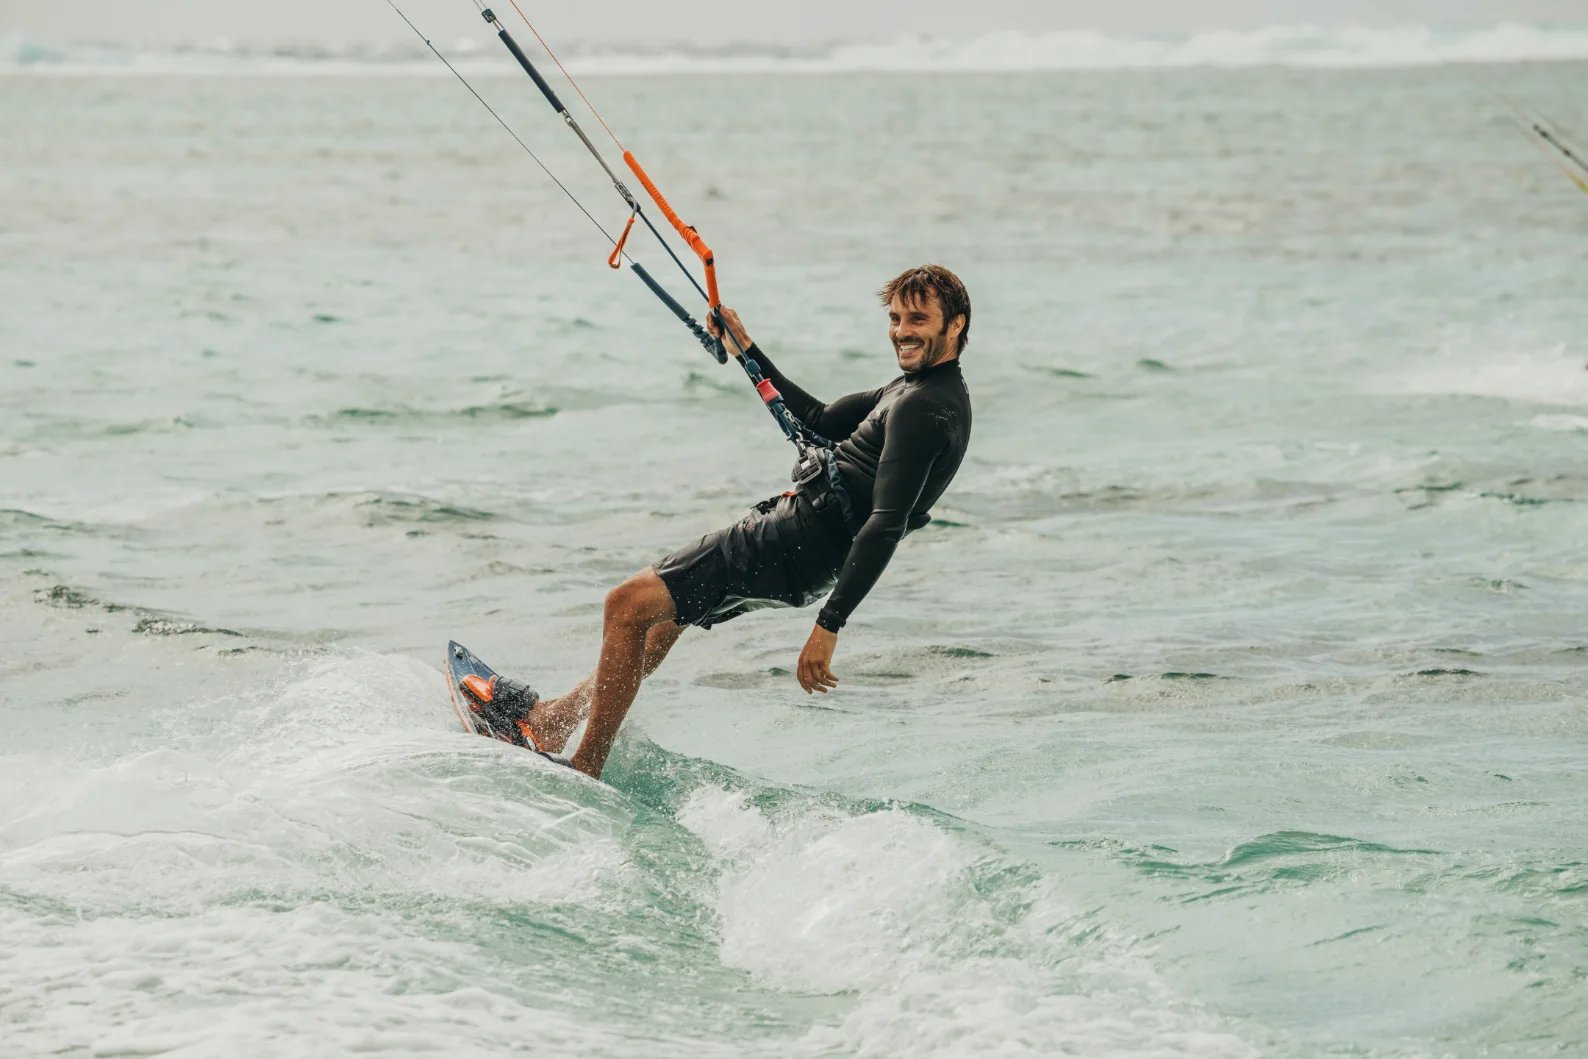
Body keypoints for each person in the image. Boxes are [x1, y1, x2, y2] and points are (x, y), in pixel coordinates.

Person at [457, 265, 975, 779]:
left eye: (918, 319)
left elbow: (886, 523)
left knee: (625, 605)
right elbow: (816, 419)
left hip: (792, 540)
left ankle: (584, 763)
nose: (902, 331)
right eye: (895, 318)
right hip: (808, 555)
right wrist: (745, 347)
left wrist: (829, 626)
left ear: (955, 324)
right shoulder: (918, 390)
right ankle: (553, 721)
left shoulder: (926, 410)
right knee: (662, 620)